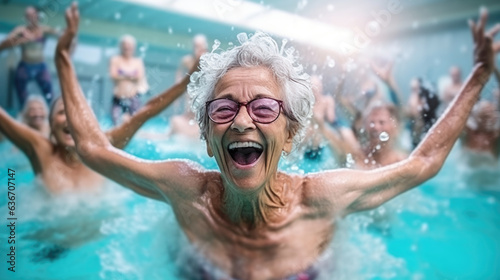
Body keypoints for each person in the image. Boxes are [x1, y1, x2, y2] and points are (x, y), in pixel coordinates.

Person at [57, 4, 497, 279]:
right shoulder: (185, 188)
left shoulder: (320, 198)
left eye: (264, 109)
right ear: (208, 139)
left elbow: (423, 164)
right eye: (224, 109)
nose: (242, 121)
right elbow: (95, 150)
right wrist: (62, 58)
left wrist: (479, 75)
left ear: (288, 137)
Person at [0, 50, 199, 194]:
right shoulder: (40, 149)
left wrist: (185, 83)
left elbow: (145, 112)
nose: (72, 118)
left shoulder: (104, 146)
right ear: (50, 125)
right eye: (62, 113)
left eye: (78, 114)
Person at [0, 6, 58, 107]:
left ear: (39, 16)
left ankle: (53, 114)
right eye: (28, 16)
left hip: (41, 67)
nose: (30, 18)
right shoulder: (21, 30)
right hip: (25, 66)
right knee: (21, 93)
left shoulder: (44, 30)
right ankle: (24, 115)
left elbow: (62, 35)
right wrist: (19, 40)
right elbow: (2, 46)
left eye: (32, 15)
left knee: (50, 95)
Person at [109, 34, 146, 124]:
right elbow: (113, 75)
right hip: (118, 98)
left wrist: (122, 73)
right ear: (121, 46)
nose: (127, 47)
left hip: (133, 98)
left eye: (129, 46)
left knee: (132, 124)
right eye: (125, 45)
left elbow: (139, 77)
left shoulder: (138, 61)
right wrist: (131, 75)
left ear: (134, 47)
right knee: (116, 123)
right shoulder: (115, 59)